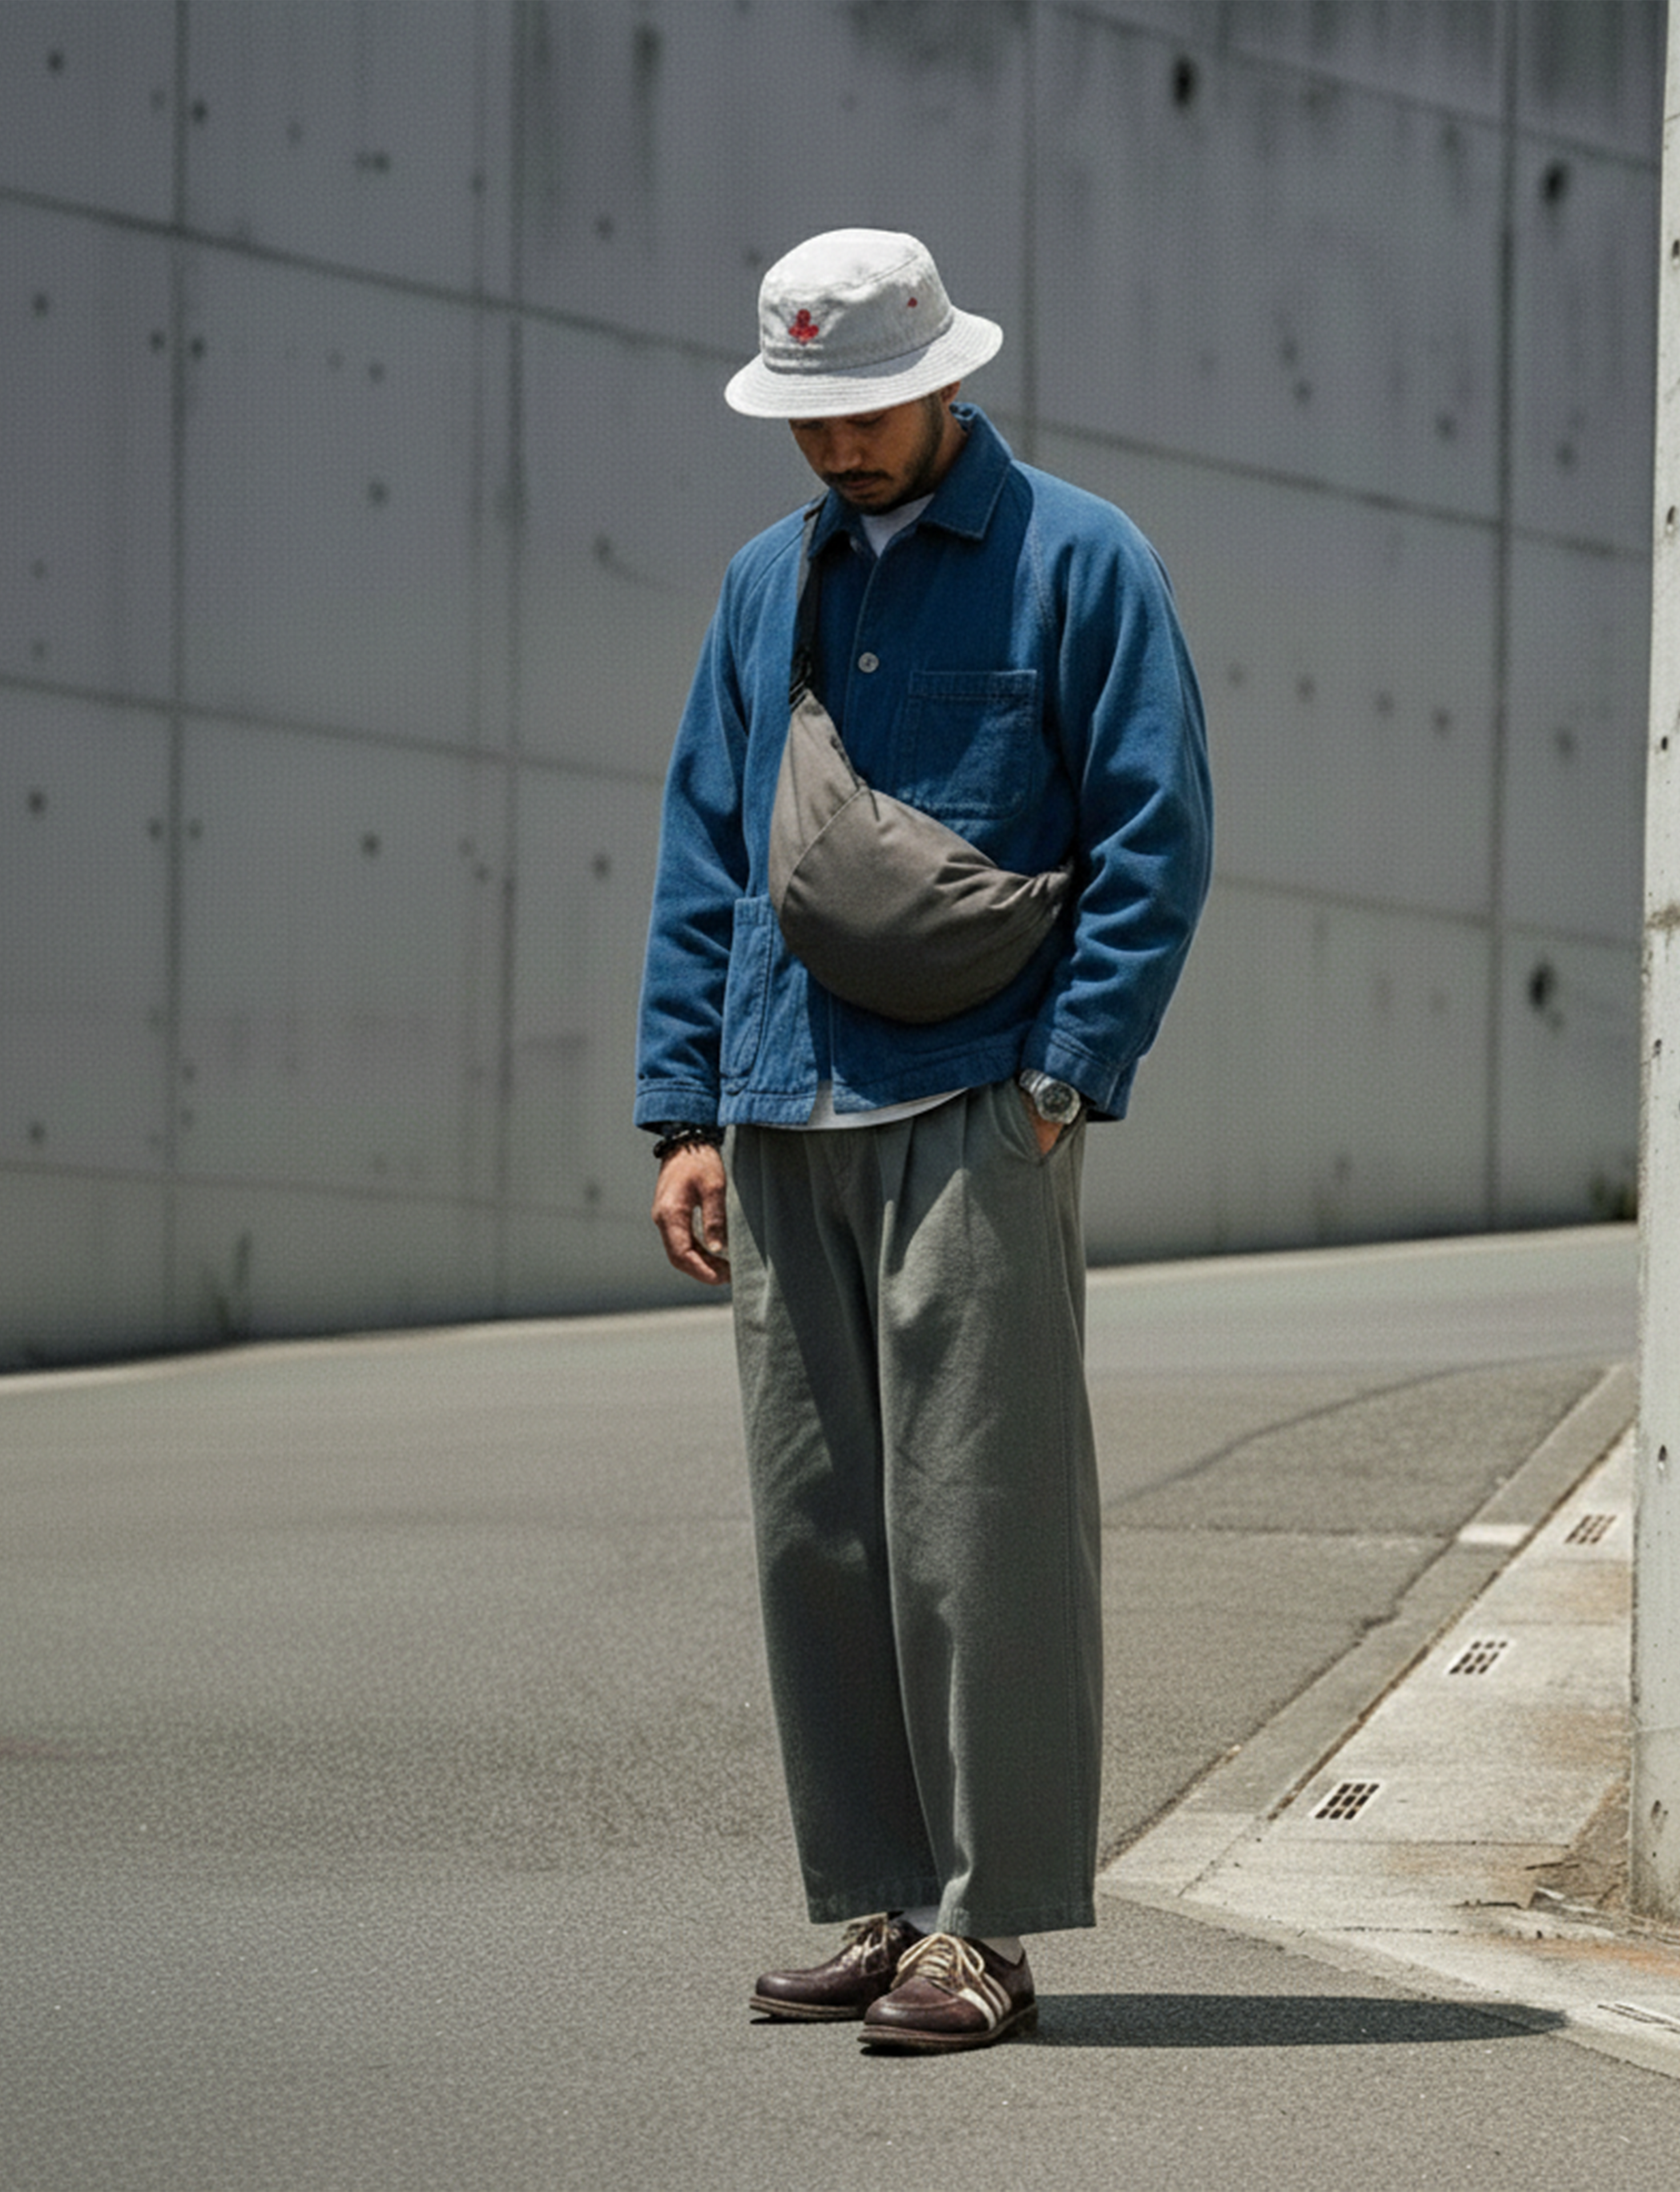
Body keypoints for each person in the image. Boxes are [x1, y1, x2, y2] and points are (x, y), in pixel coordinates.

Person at [635, 228, 1211, 2053]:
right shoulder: (761, 586)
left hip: (978, 1094)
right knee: (818, 1527)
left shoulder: (1079, 557)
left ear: (944, 375)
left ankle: (997, 1928)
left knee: (982, 1531)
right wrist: (683, 1111)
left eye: (864, 410)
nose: (836, 446)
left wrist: (1067, 1072)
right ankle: (881, 1909)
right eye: (808, 417)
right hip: (781, 1092)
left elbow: (1157, 826)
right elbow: (709, 852)